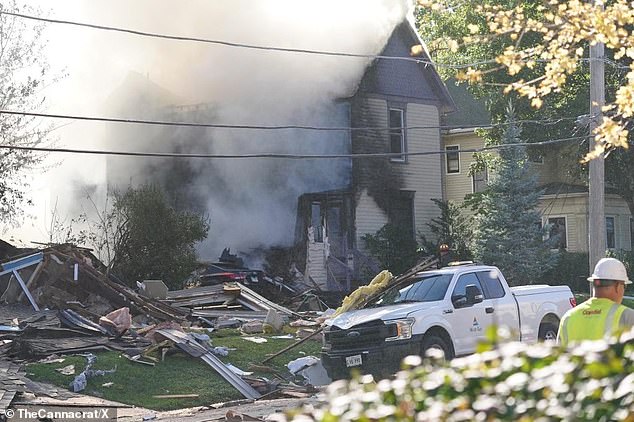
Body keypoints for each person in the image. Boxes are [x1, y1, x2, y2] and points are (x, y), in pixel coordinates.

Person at [557, 257, 634, 346]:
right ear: (617, 286)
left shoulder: (568, 317)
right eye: (624, 286)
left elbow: (557, 356)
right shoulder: (627, 316)